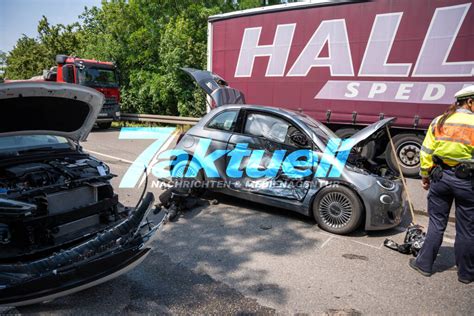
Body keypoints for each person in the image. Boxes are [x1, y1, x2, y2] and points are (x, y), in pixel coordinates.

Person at [408, 85, 474, 284]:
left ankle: (424, 264)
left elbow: (426, 152)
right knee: (467, 229)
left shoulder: (440, 121)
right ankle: (466, 274)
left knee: (436, 223)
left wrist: (425, 176)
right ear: (470, 102)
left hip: (441, 178)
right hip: (467, 181)